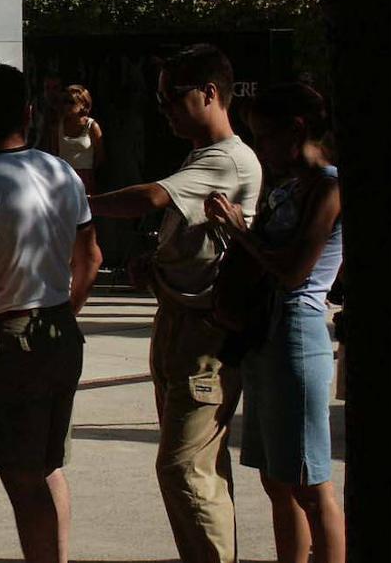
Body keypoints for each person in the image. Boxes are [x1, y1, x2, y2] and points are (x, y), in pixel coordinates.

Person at [89, 45, 261, 563]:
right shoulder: (202, 157)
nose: (163, 107)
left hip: (204, 335)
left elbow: (151, 198)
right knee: (199, 468)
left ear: (210, 94)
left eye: (172, 97)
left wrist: (76, 201)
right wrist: (155, 261)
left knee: (184, 468)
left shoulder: (226, 159)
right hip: (180, 325)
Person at [0, 64, 102, 563]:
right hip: (59, 327)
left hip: (9, 337)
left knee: (22, 477)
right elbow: (92, 258)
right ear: (30, 112)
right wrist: (66, 310)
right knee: (46, 464)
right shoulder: (61, 171)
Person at [203, 84, 345, 563]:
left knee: (309, 481)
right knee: (276, 478)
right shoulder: (288, 186)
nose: (259, 147)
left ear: (297, 130)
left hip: (298, 331)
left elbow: (293, 270)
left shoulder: (328, 186)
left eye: (264, 136)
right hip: (265, 335)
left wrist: (240, 232)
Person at [54, 85, 105, 194]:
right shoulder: (58, 126)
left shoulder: (92, 126)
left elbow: (99, 155)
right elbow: (53, 152)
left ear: (83, 104)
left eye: (71, 102)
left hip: (85, 178)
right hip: (63, 176)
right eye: (64, 102)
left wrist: (88, 174)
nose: (66, 106)